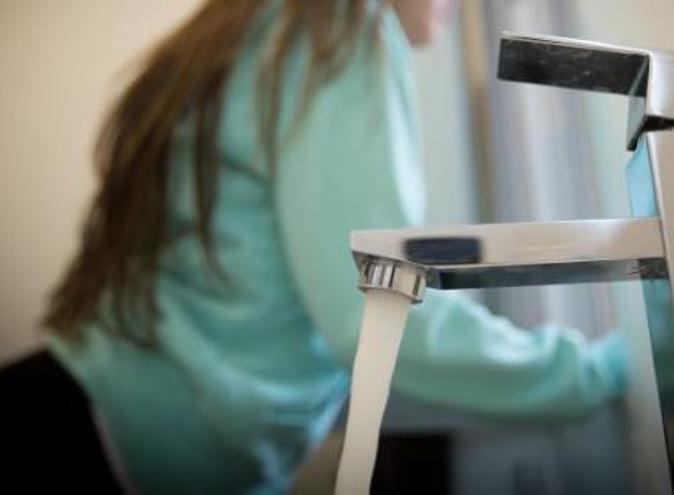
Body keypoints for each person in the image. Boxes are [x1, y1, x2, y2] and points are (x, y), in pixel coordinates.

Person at [38, 0, 628, 493]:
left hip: (88, 396)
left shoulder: (264, 25)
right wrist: (595, 373)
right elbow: (377, 306)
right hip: (116, 441)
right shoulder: (340, 27)